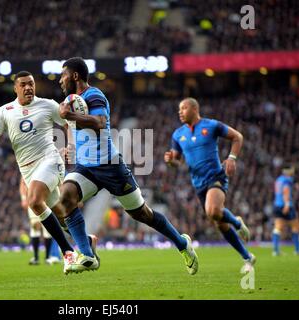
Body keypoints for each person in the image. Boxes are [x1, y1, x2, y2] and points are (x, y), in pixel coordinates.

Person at [57, 57, 198, 275]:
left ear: (75, 76)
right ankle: (86, 254)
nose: (59, 80)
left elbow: (99, 123)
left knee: (142, 214)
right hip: (85, 167)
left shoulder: (94, 95)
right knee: (65, 197)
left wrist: (70, 115)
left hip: (110, 166)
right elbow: (70, 125)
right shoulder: (70, 100)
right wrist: (69, 145)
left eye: (63, 75)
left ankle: (182, 243)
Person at [0, 70, 81, 274]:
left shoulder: (48, 104)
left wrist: (70, 145)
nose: (28, 87)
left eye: (31, 84)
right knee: (60, 216)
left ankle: (68, 253)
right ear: (15, 88)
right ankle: (87, 242)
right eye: (23, 84)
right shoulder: (5, 111)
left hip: (50, 161)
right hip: (27, 170)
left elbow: (69, 123)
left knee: (34, 201)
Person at [164, 97, 255, 272]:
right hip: (198, 183)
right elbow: (177, 162)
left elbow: (237, 137)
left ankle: (236, 224)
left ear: (194, 109)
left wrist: (231, 158)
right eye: (179, 109)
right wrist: (170, 161)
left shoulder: (211, 126)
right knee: (218, 221)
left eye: (183, 108)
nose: (180, 112)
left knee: (212, 210)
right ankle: (247, 256)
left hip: (216, 176)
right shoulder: (178, 134)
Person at [272, 164, 299, 256]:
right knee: (295, 226)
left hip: (277, 205)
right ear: (288, 171)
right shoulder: (287, 180)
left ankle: (276, 251)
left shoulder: (278, 180)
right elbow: (286, 191)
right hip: (286, 205)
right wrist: (287, 204)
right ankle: (297, 250)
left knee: (278, 228)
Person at [19, 179, 59, 265]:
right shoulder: (29, 166)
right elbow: (23, 183)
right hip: (33, 198)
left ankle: (47, 257)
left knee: (47, 228)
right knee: (35, 226)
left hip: (45, 198)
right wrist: (23, 198)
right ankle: (37, 257)